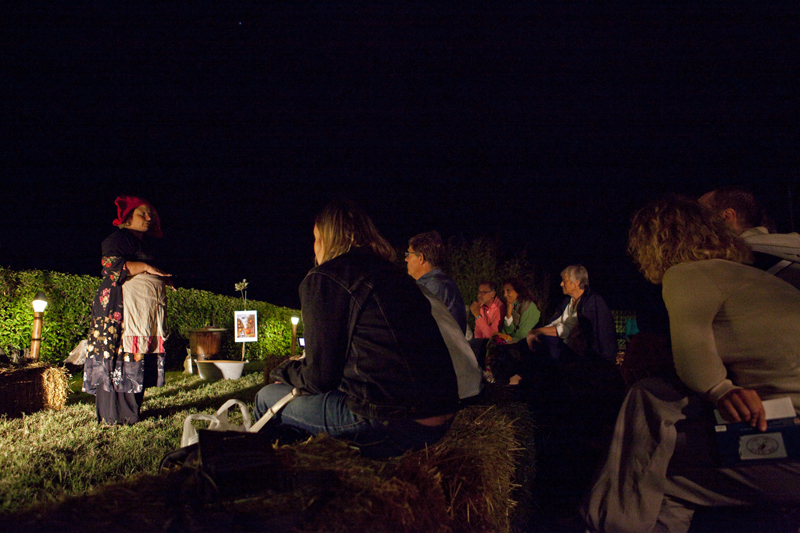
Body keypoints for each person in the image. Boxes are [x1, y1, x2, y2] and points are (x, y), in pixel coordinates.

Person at [582, 195, 800, 533]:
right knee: (651, 403)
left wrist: (720, 389)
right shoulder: (746, 276)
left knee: (646, 472)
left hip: (790, 443)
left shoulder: (687, 274)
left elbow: (693, 354)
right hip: (784, 426)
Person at [254, 200, 460, 459]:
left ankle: (279, 486)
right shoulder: (397, 276)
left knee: (266, 397)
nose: (314, 247)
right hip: (441, 417)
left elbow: (319, 378)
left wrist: (282, 370)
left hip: (393, 422)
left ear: (328, 239)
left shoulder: (325, 278)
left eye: (316, 238)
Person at [83, 196, 171, 425]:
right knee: (120, 358)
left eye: (151, 214)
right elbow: (110, 267)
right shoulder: (119, 238)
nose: (149, 218)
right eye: (143, 213)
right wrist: (145, 267)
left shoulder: (144, 243)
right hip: (120, 310)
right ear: (128, 217)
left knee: (135, 358)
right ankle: (114, 415)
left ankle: (131, 412)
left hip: (141, 313)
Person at [700, 186, 800, 288]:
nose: (697, 226)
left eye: (701, 217)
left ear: (727, 216)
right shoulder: (790, 247)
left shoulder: (740, 264)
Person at [527, 265, 617, 364]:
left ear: (576, 283)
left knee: (546, 341)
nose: (561, 284)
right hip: (571, 349)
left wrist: (538, 331)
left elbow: (568, 329)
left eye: (564, 281)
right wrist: (536, 333)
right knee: (533, 342)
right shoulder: (568, 302)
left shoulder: (591, 302)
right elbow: (556, 323)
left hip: (586, 355)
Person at [405, 231, 468, 333]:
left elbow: (422, 326)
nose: (406, 259)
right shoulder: (433, 283)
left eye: (409, 254)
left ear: (421, 258)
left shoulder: (435, 286)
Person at [468, 280, 506, 368]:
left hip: (497, 342)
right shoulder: (481, 306)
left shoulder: (499, 307)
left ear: (493, 294)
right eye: (479, 292)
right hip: (483, 342)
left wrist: (477, 316)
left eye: (484, 292)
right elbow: (478, 332)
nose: (479, 295)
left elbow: (492, 335)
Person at [494, 278, 540, 344]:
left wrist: (506, 341)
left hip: (525, 344)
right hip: (513, 341)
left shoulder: (528, 306)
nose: (505, 295)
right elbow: (508, 330)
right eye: (504, 292)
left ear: (518, 291)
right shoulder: (510, 305)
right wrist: (509, 314)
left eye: (508, 291)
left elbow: (523, 334)